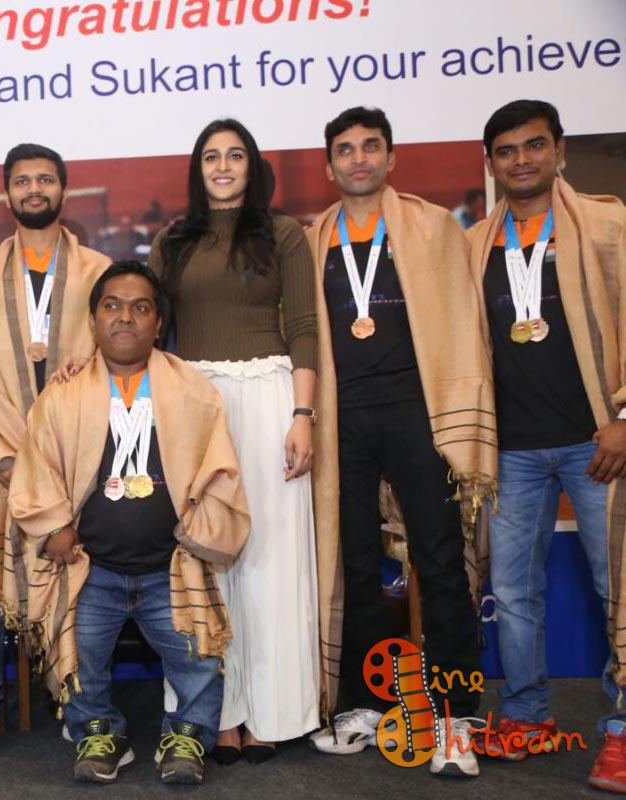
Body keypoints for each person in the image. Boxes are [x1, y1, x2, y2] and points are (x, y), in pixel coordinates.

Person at [303, 107, 496, 779]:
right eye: (345, 149)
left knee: (440, 564)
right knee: (354, 564)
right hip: (343, 419)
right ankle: (365, 705)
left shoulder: (433, 226)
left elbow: (464, 322)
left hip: (420, 414)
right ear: (329, 166)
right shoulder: (314, 239)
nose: (358, 158)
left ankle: (455, 718)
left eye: (370, 146)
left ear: (391, 157)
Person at [10, 261, 251, 785]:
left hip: (169, 567)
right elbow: (35, 468)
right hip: (91, 568)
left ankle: (187, 736)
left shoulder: (193, 391)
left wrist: (198, 530)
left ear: (158, 323)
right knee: (82, 658)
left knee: (197, 658)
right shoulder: (64, 394)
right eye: (112, 306)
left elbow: (222, 472)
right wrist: (54, 527)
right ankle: (99, 733)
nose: (125, 317)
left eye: (140, 307)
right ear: (93, 321)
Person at [465, 99, 626, 793]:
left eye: (534, 145)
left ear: (560, 151)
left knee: (618, 589)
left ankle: (622, 731)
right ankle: (527, 715)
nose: (521, 160)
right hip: (511, 451)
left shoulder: (609, 225)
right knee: (513, 593)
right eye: (506, 151)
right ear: (491, 164)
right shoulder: (475, 244)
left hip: (600, 443)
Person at [147, 118, 320, 763]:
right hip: (193, 407)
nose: (223, 166)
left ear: (252, 166)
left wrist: (303, 414)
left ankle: (273, 711)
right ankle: (214, 713)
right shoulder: (171, 240)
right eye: (211, 157)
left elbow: (304, 326)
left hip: (271, 399)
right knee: (204, 558)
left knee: (269, 559)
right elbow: (145, 322)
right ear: (197, 169)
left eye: (235, 155)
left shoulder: (283, 234)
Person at [0, 143, 110, 765]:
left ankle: (79, 704)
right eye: (22, 181)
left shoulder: (97, 270)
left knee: (78, 579)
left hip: (75, 461)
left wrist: (55, 459)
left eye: (45, 179)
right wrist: (15, 462)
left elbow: (108, 361)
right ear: (7, 194)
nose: (34, 189)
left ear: (63, 190)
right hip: (0, 461)